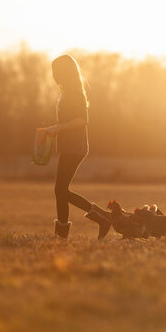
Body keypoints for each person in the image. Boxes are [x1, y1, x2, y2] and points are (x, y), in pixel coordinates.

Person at [40, 54, 111, 239]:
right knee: (61, 190)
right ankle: (98, 218)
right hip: (69, 146)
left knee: (60, 190)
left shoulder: (75, 93)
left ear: (66, 72)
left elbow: (82, 121)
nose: (54, 75)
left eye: (56, 71)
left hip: (75, 146)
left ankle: (99, 219)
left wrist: (57, 128)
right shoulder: (68, 93)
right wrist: (52, 132)